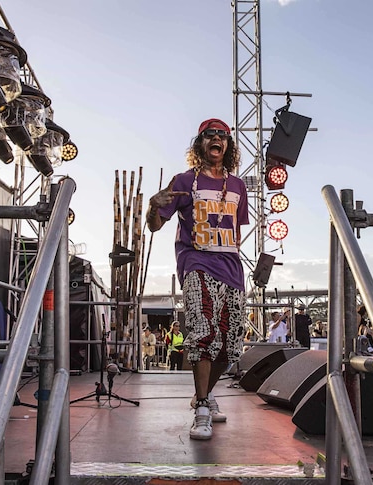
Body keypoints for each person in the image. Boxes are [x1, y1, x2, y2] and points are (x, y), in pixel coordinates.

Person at [146, 118, 248, 440]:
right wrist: (152, 206)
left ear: (228, 146)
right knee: (203, 331)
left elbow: (236, 231)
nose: (216, 139)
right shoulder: (183, 180)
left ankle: (205, 393)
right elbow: (154, 225)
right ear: (199, 144)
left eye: (222, 136)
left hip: (230, 266)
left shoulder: (238, 186)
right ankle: (202, 406)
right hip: (196, 261)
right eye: (209, 136)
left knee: (231, 345)